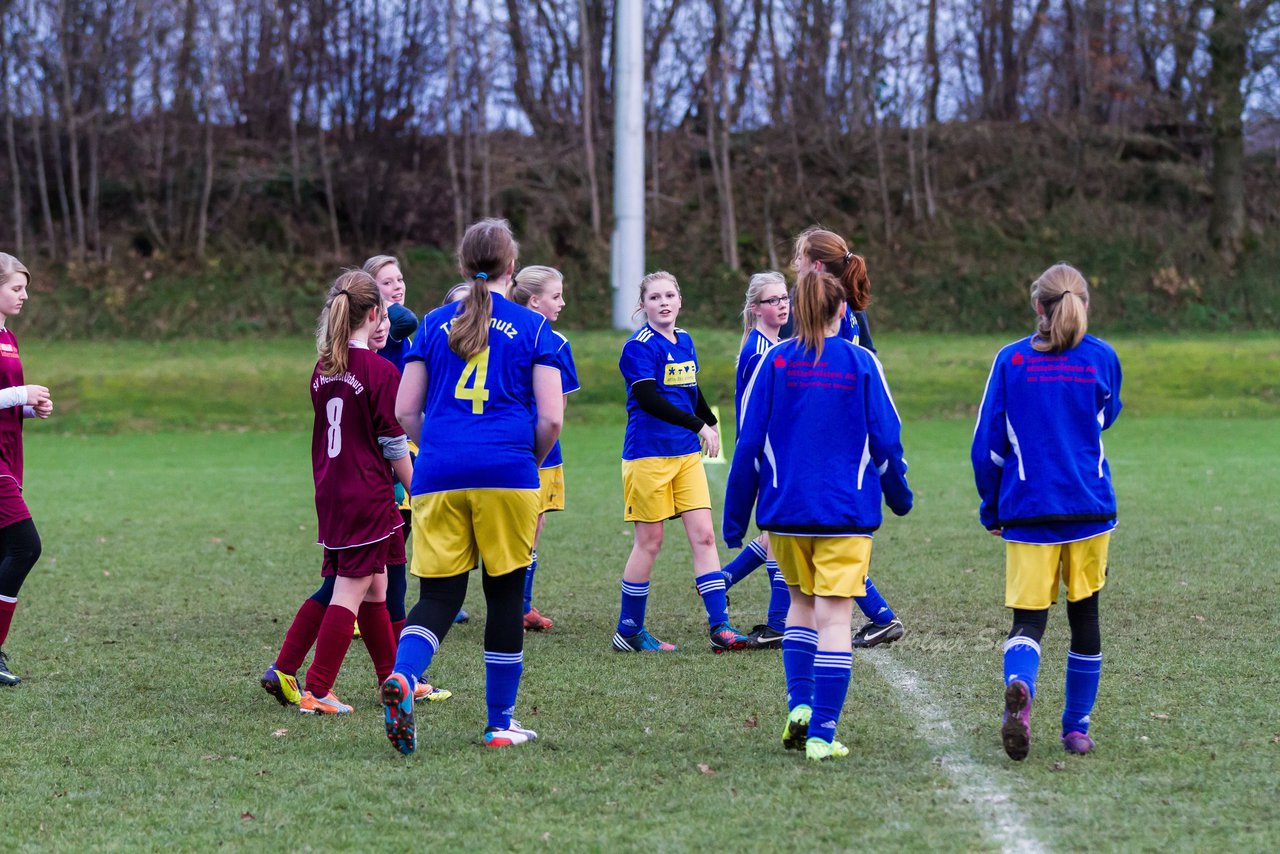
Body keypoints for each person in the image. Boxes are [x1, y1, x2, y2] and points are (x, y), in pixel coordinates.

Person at [382, 218, 563, 755]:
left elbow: (404, 410)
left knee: (437, 596)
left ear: (463, 266)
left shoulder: (432, 324)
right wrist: (522, 459)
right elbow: (551, 419)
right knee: (505, 595)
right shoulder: (533, 328)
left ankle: (404, 675)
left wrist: (437, 447)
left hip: (437, 475)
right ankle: (498, 724)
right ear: (513, 267)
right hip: (506, 473)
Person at [724, 267, 912, 761]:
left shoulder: (775, 363)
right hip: (844, 515)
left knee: (799, 610)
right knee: (834, 620)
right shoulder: (862, 362)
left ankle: (799, 708)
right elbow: (887, 439)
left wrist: (735, 515)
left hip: (785, 514)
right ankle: (824, 734)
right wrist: (899, 494)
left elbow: (747, 444)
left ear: (797, 312)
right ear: (842, 311)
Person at [971, 263, 1122, 761]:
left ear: (1038, 305)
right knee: (1086, 618)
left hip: (1029, 510)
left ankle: (1020, 685)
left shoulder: (1011, 361)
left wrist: (991, 508)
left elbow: (987, 447)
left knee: (1028, 621)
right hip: (1088, 509)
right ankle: (1076, 729)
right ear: (1083, 305)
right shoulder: (1102, 358)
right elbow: (1105, 416)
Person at [260, 308, 448, 707]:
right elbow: (394, 444)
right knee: (350, 588)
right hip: (367, 493)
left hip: (332, 490)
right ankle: (318, 688)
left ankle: (394, 679)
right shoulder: (378, 370)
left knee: (377, 589)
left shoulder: (323, 367)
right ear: (375, 315)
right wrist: (421, 491)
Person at [613, 271, 748, 654]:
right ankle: (629, 630)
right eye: (654, 297)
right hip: (648, 456)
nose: (664, 302)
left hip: (686, 456)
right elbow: (650, 398)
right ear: (643, 306)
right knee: (649, 542)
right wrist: (698, 425)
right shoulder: (638, 347)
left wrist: (710, 422)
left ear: (680, 300)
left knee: (705, 536)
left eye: (670, 295)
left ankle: (719, 626)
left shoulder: (685, 340)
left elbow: (690, 389)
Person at [791, 227, 905, 649]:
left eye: (800, 257)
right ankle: (876, 615)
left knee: (810, 536)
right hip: (852, 448)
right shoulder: (854, 314)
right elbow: (875, 366)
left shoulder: (805, 314)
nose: (795, 264)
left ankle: (789, 625)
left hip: (816, 443)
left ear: (817, 266)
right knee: (833, 536)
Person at [719, 272, 792, 649]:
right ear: (754, 308)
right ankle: (778, 623)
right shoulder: (759, 350)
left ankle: (721, 582)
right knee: (780, 535)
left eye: (784, 298)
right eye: (772, 300)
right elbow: (756, 413)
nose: (781, 305)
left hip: (774, 451)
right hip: (767, 452)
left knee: (775, 536)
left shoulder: (773, 343)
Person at [509, 266, 579, 631]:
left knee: (530, 525)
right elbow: (558, 408)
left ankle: (520, 604)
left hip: (508, 444)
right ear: (535, 300)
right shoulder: (553, 341)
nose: (562, 302)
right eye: (556, 296)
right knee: (528, 526)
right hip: (539, 450)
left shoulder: (499, 335)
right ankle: (516, 605)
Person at [0, 254, 54, 687]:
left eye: (25, 288)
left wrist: (30, 408)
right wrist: (20, 392)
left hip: (10, 456)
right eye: (16, 288)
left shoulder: (9, 338)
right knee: (24, 547)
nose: (25, 295)